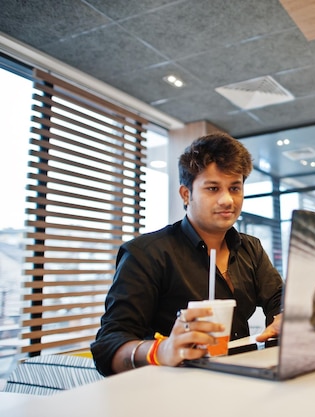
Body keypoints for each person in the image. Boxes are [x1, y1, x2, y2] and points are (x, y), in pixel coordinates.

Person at [91, 132, 284, 376]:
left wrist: (285, 318)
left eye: (235, 188)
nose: (227, 200)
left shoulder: (250, 248)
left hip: (239, 380)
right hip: (172, 390)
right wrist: (161, 350)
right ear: (186, 194)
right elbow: (108, 347)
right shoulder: (146, 254)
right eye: (212, 188)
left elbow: (279, 299)